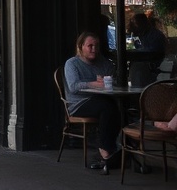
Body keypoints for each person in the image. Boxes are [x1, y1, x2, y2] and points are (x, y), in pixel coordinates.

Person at [64, 31, 121, 172]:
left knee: (116, 107)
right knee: (108, 108)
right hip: (78, 103)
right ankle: (106, 150)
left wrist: (111, 81)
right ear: (80, 47)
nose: (94, 49)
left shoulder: (104, 63)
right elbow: (73, 87)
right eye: (90, 46)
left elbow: (114, 79)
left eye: (96, 46)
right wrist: (94, 84)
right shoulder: (72, 64)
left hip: (102, 100)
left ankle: (109, 149)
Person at [129, 12, 167, 86]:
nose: (134, 26)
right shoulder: (139, 34)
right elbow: (131, 47)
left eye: (135, 23)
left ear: (143, 23)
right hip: (139, 68)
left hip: (153, 69)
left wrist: (134, 52)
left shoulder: (155, 35)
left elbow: (151, 53)